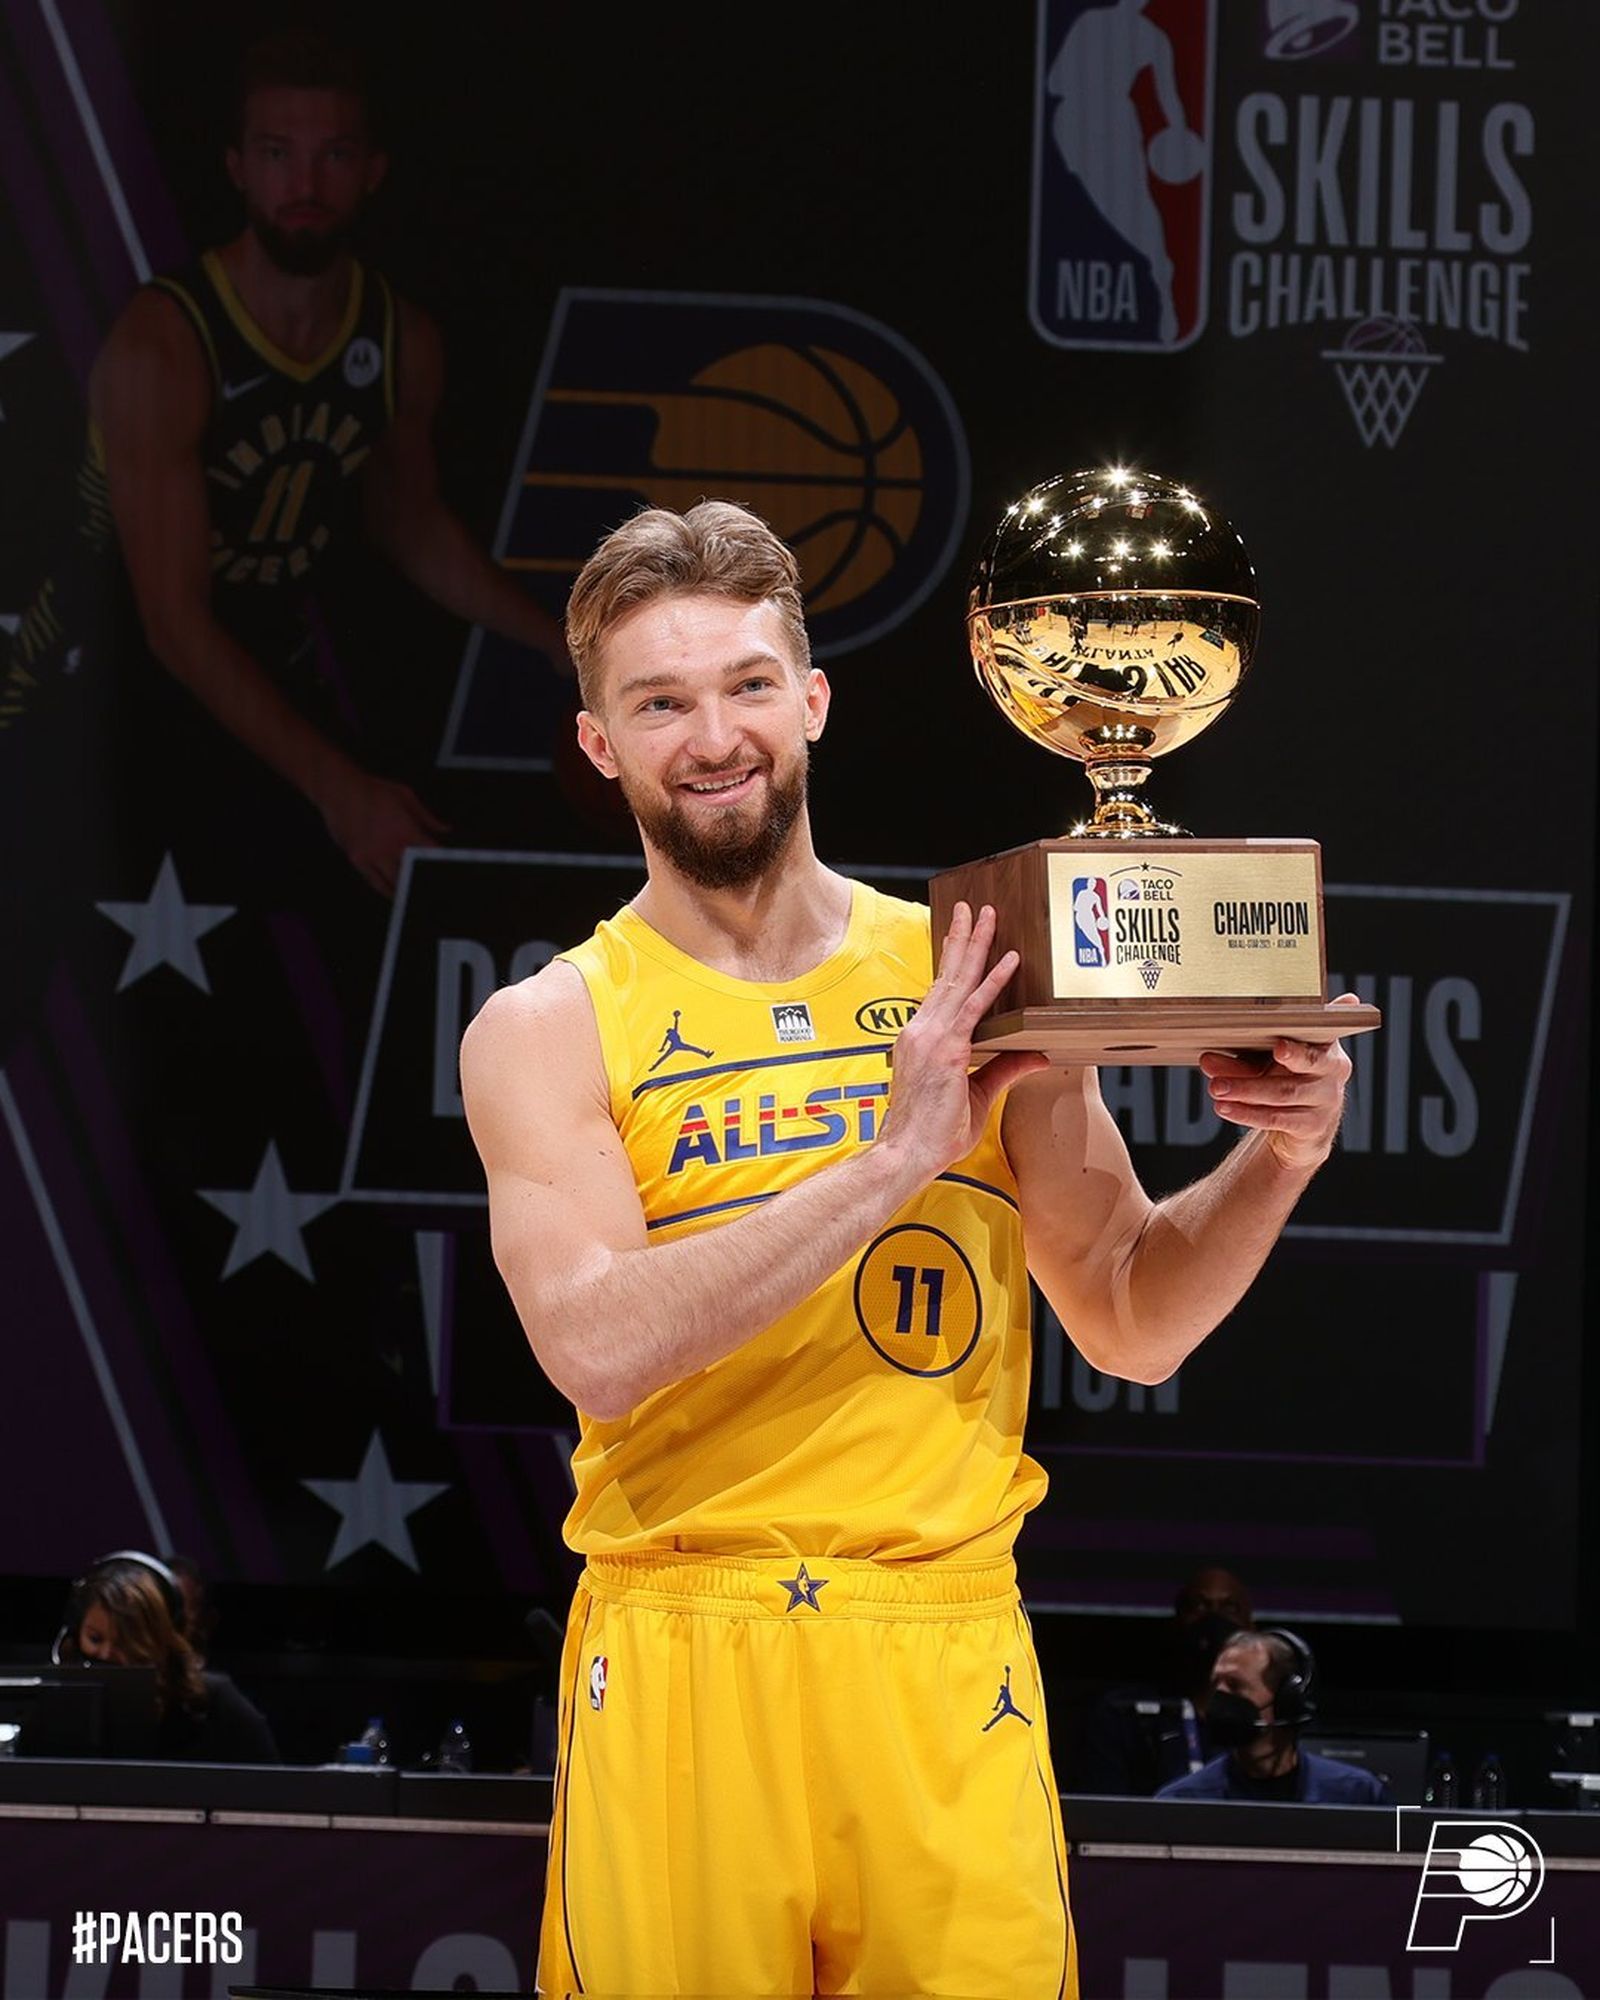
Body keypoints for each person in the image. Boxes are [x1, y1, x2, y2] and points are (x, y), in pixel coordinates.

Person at [459, 501, 1359, 1995]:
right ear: (600, 743)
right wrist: (892, 1160)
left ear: (812, 701)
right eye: (661, 703)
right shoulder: (547, 1026)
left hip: (945, 1653)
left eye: (749, 685)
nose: (715, 736)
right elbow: (596, 1345)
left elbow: (1130, 1314)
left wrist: (1281, 1157)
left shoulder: (974, 972)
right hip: (685, 1644)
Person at [1, 29, 566, 908]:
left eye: (332, 155)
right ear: (237, 169)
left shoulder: (399, 339)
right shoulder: (166, 346)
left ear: (371, 171)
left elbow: (410, 525)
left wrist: (559, 644)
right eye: (277, 154)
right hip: (94, 676)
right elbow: (171, 623)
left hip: (258, 675)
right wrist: (340, 791)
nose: (305, 185)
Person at [43, 1552, 278, 1764]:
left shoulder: (216, 1705)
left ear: (158, 1639)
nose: (106, 1654)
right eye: (95, 1638)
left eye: (125, 1641)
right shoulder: (59, 1710)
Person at [1073, 1564, 1255, 1795]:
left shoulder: (1266, 1718)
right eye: (1199, 1606)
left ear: (1251, 1627)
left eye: (1229, 1607)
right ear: (1177, 1621)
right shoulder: (1123, 1714)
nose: (1213, 1619)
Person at [1157, 1628, 1391, 1805]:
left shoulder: (1357, 1794)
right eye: (1216, 1685)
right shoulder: (1181, 1802)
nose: (1219, 1698)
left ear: (1285, 1700)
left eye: (1235, 1685)